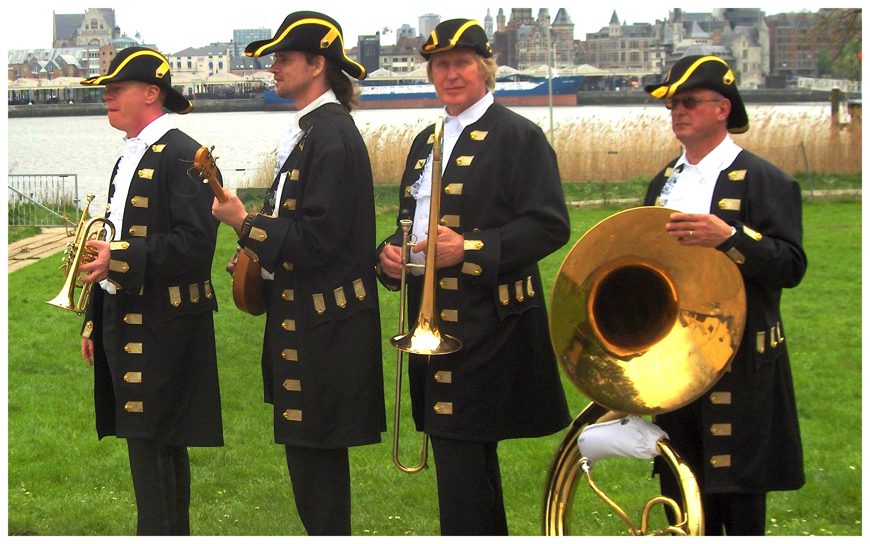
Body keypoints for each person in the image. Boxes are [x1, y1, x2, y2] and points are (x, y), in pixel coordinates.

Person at [376, 19, 571, 535]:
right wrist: (390, 256)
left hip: (488, 323)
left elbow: (550, 225)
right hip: (431, 317)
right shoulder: (425, 140)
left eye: (461, 63)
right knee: (463, 458)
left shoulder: (518, 137)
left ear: (486, 70)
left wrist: (472, 247)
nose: (451, 74)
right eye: (441, 65)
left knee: (463, 456)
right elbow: (410, 225)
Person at [210, 11, 385, 536]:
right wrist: (255, 262)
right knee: (311, 470)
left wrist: (245, 224)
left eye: (284, 58)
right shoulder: (315, 133)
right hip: (309, 330)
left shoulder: (331, 137)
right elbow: (301, 237)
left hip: (324, 334)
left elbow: (320, 242)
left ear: (318, 64)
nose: (273, 68)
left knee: (320, 479)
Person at [643, 54, 807, 536]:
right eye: (672, 104)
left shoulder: (766, 180)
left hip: (741, 367)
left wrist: (732, 237)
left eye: (689, 102)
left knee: (738, 502)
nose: (678, 111)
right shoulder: (663, 183)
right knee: (682, 498)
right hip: (673, 360)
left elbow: (791, 267)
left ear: (722, 107)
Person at [77, 46, 223, 535]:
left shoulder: (185, 154)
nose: (108, 98)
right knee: (150, 447)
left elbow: (195, 245)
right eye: (106, 91)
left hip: (165, 326)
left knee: (156, 445)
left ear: (152, 92)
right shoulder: (130, 156)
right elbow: (117, 238)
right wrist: (94, 319)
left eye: (117, 89)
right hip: (125, 318)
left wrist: (118, 257)